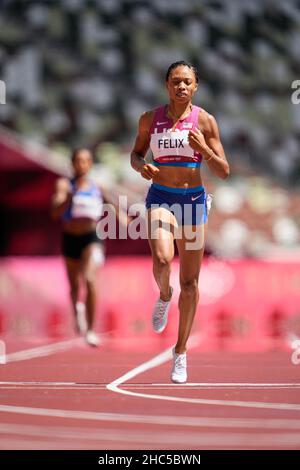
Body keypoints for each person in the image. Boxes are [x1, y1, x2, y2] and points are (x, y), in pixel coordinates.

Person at [131, 61, 230, 383]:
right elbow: (136, 154)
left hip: (194, 202)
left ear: (196, 87)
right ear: (167, 85)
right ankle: (163, 295)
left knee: (190, 284)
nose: (182, 87)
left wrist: (204, 149)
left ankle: (180, 352)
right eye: (176, 82)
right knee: (162, 259)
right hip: (160, 197)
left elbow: (224, 170)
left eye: (187, 82)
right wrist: (141, 166)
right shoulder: (150, 119)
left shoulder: (205, 121)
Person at [51, 148, 106, 347]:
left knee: (90, 279)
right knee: (74, 286)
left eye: (85, 161)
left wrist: (124, 219)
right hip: (70, 238)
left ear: (90, 164)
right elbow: (55, 213)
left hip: (92, 238)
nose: (81, 165)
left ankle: (91, 329)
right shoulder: (64, 184)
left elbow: (112, 203)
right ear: (72, 164)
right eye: (78, 161)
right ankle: (77, 310)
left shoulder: (98, 185)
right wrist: (67, 199)